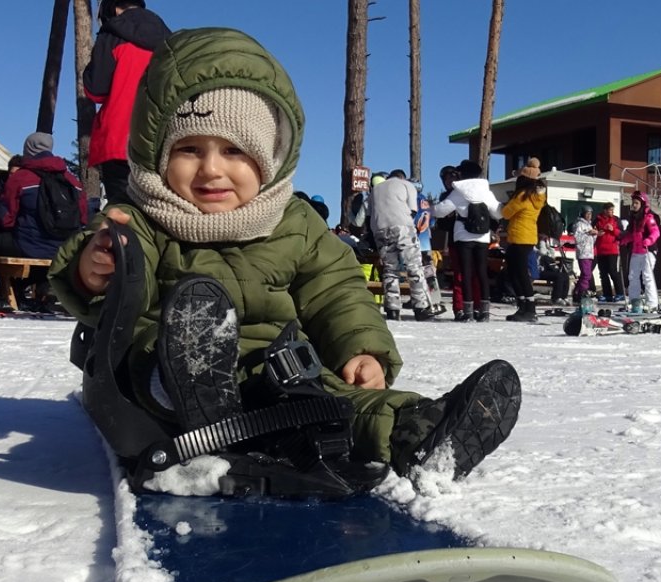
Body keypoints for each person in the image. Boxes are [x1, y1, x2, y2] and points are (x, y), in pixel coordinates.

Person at [48, 28, 520, 494]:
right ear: (157, 152)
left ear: (270, 158)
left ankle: (418, 435)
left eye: (235, 151)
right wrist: (97, 269)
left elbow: (334, 290)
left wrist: (361, 350)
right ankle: (198, 400)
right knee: (165, 353)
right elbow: (123, 284)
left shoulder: (292, 221)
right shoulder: (144, 217)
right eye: (190, 149)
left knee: (333, 401)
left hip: (279, 369)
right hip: (167, 369)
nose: (211, 168)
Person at [0, 133, 86, 309]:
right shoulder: (72, 181)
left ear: (28, 149)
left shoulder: (21, 178)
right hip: (64, 248)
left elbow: (6, 218)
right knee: (38, 255)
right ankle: (27, 292)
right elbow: (83, 217)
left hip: (28, 244)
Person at [84, 0, 171, 207]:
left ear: (113, 7)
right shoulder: (169, 41)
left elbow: (95, 90)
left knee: (122, 214)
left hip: (119, 140)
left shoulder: (111, 35)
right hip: (161, 141)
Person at [431, 159, 500, 322]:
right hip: (483, 237)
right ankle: (484, 311)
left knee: (466, 273)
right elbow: (498, 213)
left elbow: (441, 211)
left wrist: (428, 208)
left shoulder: (459, 191)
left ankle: (467, 311)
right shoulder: (486, 191)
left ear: (464, 173)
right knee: (482, 273)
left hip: (463, 236)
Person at [369, 169, 434, 321]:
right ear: (402, 177)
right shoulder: (406, 185)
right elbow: (412, 209)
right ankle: (421, 307)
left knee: (390, 269)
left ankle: (392, 309)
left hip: (379, 228)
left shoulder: (375, 189)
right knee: (414, 267)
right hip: (402, 227)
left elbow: (369, 214)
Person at [500, 171, 546, 322]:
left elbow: (506, 213)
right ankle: (524, 306)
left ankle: (529, 308)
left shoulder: (522, 196)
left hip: (519, 237)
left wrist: (504, 205)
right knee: (515, 272)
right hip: (527, 237)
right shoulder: (536, 197)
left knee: (519, 274)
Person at [620, 191, 660, 311]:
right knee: (633, 276)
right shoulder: (633, 218)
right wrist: (623, 240)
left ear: (642, 204)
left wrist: (648, 240)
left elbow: (656, 232)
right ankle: (634, 301)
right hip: (636, 251)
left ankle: (652, 303)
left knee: (647, 277)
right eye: (633, 203)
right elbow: (632, 234)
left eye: (636, 203)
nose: (634, 205)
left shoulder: (649, 217)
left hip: (648, 251)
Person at [412, 183, 445, 316]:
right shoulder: (425, 200)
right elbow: (431, 222)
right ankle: (435, 300)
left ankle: (421, 300)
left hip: (415, 241)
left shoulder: (412, 200)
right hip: (426, 242)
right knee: (429, 272)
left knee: (415, 272)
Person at [593, 202, 624, 302]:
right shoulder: (597, 219)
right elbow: (592, 231)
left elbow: (621, 234)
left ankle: (620, 293)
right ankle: (607, 295)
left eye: (612, 210)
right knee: (603, 273)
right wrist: (597, 233)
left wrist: (613, 229)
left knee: (613, 271)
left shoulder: (616, 220)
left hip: (612, 250)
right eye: (610, 210)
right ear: (605, 210)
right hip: (600, 250)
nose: (612, 212)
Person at [571, 205, 597, 302]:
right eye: (587, 214)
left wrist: (595, 235)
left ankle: (577, 293)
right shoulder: (579, 224)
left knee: (585, 275)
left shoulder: (589, 225)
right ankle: (582, 292)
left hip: (589, 252)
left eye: (590, 214)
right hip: (583, 253)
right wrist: (588, 233)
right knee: (587, 275)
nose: (589, 216)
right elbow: (577, 238)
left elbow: (591, 240)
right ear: (583, 214)